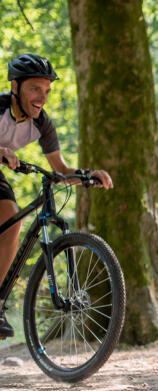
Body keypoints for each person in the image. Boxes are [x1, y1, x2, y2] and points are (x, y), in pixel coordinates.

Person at [0, 54, 113, 338]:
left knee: (12, 221)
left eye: (47, 91)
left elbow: (60, 169)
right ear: (15, 87)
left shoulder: (41, 123)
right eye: (35, 89)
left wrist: (88, 175)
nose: (43, 97)